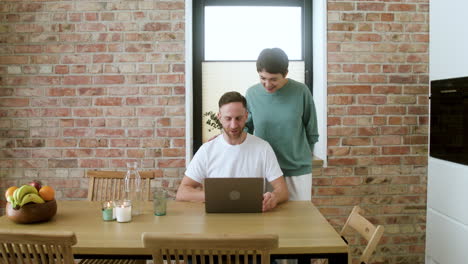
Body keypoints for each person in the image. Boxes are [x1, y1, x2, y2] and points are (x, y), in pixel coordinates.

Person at [176, 91, 289, 212]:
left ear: (246, 116)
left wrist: (274, 198)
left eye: (238, 118)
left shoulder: (263, 148)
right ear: (219, 117)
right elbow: (182, 192)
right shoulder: (207, 150)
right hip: (216, 219)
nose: (233, 125)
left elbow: (282, 190)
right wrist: (217, 197)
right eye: (228, 118)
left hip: (254, 217)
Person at [245, 48, 319, 201]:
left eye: (273, 79)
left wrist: (303, 156)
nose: (267, 84)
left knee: (299, 220)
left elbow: (312, 131)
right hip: (264, 170)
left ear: (285, 73)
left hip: (297, 170)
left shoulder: (301, 91)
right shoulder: (252, 94)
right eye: (262, 78)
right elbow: (245, 129)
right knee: (265, 221)